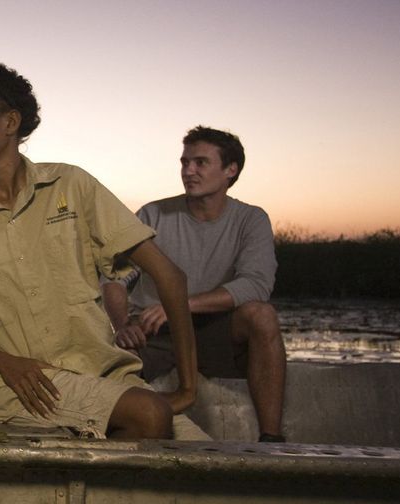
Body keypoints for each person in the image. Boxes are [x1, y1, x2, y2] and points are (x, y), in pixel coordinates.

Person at [0, 63, 206, 440]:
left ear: (10, 122)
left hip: (103, 374)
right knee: (149, 414)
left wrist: (188, 389)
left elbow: (170, 275)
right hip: (21, 388)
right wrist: (2, 361)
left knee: (207, 459)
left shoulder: (72, 186)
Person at [102, 125, 287, 442]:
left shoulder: (251, 219)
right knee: (97, 361)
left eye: (200, 163)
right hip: (154, 332)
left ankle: (272, 439)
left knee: (262, 315)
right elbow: (113, 278)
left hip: (214, 331)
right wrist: (121, 326)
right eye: (184, 163)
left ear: (231, 170)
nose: (189, 171)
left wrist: (179, 305)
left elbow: (255, 285)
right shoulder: (154, 214)